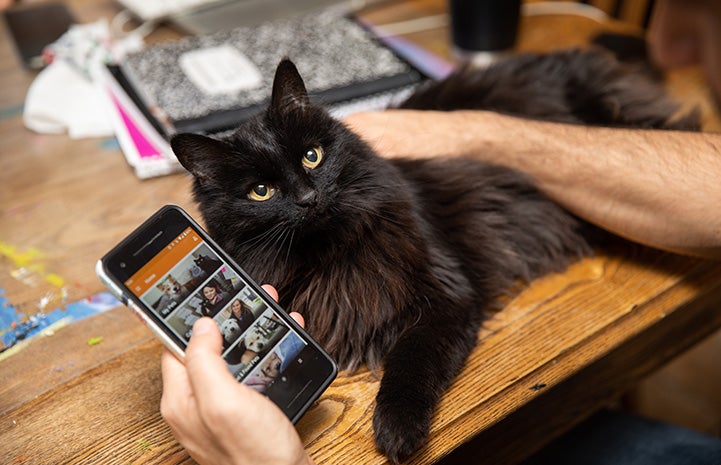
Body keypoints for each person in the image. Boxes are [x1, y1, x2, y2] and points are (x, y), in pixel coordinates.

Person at [160, 1, 721, 463]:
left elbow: (453, 301)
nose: (307, 194)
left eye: (310, 158)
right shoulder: (264, 243)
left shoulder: (388, 210)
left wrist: (405, 396)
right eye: (263, 191)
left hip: (575, 97)